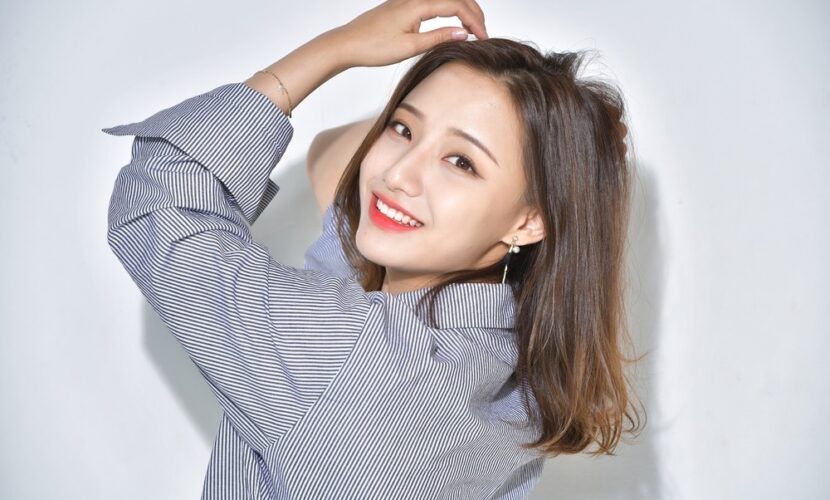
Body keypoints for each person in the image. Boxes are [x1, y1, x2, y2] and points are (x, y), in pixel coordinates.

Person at [103, 0, 644, 497]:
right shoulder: (516, 373)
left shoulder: (359, 355)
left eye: (462, 163)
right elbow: (335, 162)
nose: (398, 173)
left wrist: (338, 47)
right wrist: (574, 158)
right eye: (402, 129)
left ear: (529, 221)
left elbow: (160, 195)